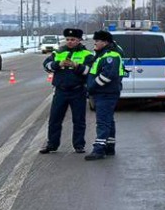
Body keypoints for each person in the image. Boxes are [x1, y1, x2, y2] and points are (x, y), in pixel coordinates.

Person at [39, 28, 93, 154]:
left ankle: (79, 145)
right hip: (61, 91)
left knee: (79, 120)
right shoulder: (58, 52)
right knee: (54, 119)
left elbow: (89, 71)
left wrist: (76, 66)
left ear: (79, 40)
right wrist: (58, 64)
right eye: (68, 39)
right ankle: (52, 144)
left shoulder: (87, 55)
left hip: (78, 90)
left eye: (73, 40)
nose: (70, 42)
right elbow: (46, 66)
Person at [84, 30, 125, 161]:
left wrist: (93, 86)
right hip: (105, 93)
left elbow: (108, 75)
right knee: (108, 120)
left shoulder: (110, 56)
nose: (94, 43)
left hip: (105, 93)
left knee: (102, 122)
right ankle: (109, 146)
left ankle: (99, 149)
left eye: (97, 41)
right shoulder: (102, 54)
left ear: (105, 42)